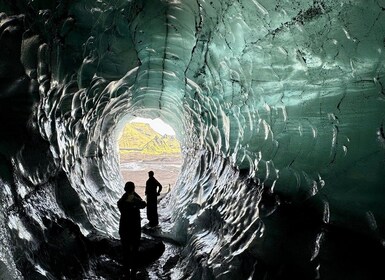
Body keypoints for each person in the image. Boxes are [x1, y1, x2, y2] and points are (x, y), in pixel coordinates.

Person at [117, 181, 147, 279]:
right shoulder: (127, 198)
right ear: (133, 189)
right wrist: (133, 202)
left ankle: (128, 272)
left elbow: (143, 204)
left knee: (127, 251)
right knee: (133, 251)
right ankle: (131, 273)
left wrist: (133, 200)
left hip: (126, 228)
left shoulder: (127, 198)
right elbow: (143, 204)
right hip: (133, 228)